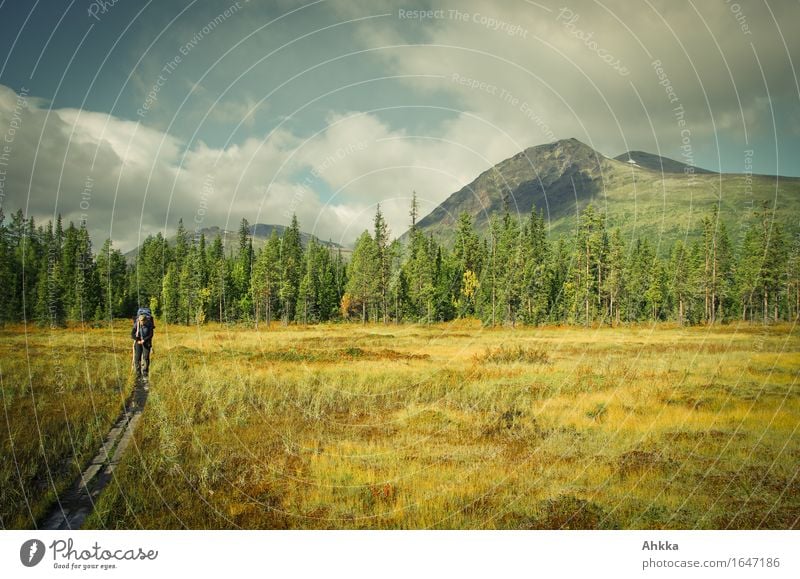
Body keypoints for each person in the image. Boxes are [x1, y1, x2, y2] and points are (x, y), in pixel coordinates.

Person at [131, 309, 155, 379]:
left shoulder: (149, 324)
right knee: (137, 358)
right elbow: (132, 334)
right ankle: (138, 373)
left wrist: (144, 340)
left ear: (145, 320)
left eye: (143, 321)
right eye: (140, 321)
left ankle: (145, 372)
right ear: (139, 320)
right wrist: (137, 340)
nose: (141, 322)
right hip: (138, 342)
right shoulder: (137, 324)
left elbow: (151, 334)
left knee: (146, 357)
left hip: (146, 342)